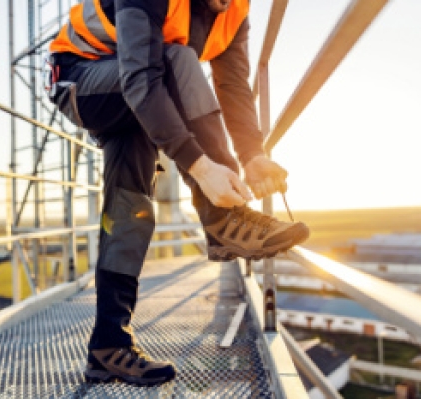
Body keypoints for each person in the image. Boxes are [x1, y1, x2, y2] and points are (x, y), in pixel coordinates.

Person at [47, 0, 309, 386]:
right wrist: (202, 170)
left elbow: (233, 85)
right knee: (178, 60)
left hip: (133, 82)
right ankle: (223, 221)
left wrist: (252, 155)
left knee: (130, 210)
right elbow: (143, 79)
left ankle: (108, 347)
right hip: (80, 78)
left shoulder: (234, 11)